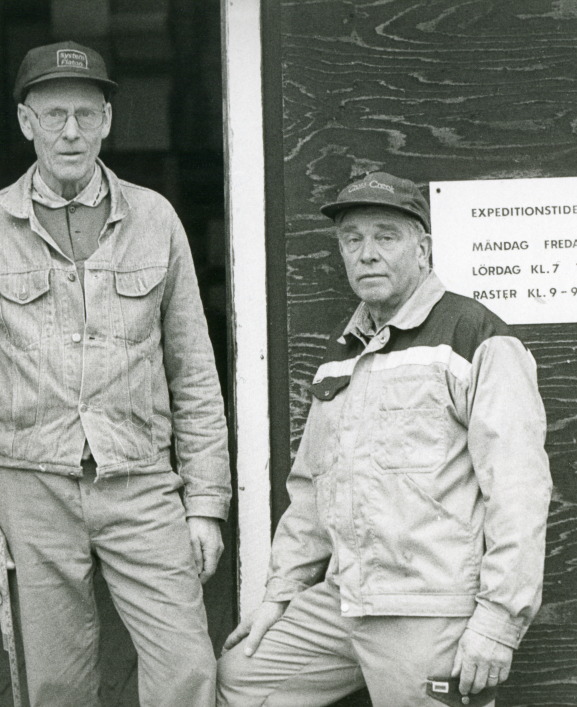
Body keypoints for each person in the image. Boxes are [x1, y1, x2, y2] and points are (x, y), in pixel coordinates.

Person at [0, 41, 230, 707]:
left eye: (87, 114)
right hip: (28, 487)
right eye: (55, 113)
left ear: (108, 122)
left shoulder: (155, 219)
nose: (72, 131)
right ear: (25, 122)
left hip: (140, 477)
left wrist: (207, 503)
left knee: (187, 665)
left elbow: (195, 369)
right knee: (56, 682)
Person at [217, 172, 552, 707]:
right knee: (241, 678)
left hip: (427, 606)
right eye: (353, 239)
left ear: (423, 249)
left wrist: (497, 621)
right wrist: (281, 592)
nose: (366, 253)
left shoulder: (476, 336)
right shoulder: (345, 352)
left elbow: (519, 490)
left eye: (385, 237)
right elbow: (310, 489)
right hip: (345, 598)